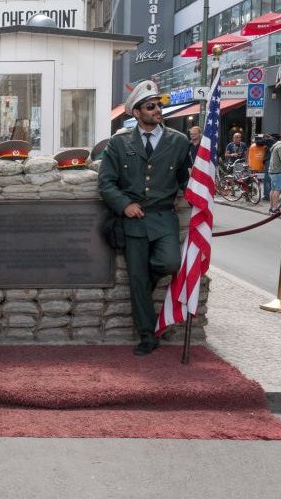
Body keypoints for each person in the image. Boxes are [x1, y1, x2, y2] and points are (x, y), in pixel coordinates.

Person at [98, 80, 192, 356]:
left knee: (169, 261)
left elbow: (187, 180)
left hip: (163, 218)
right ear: (136, 112)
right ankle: (147, 334)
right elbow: (106, 183)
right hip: (134, 220)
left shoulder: (179, 141)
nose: (157, 110)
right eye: (150, 106)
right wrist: (124, 204)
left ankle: (143, 299)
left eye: (159, 105)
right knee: (137, 279)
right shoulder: (119, 143)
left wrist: (203, 197)